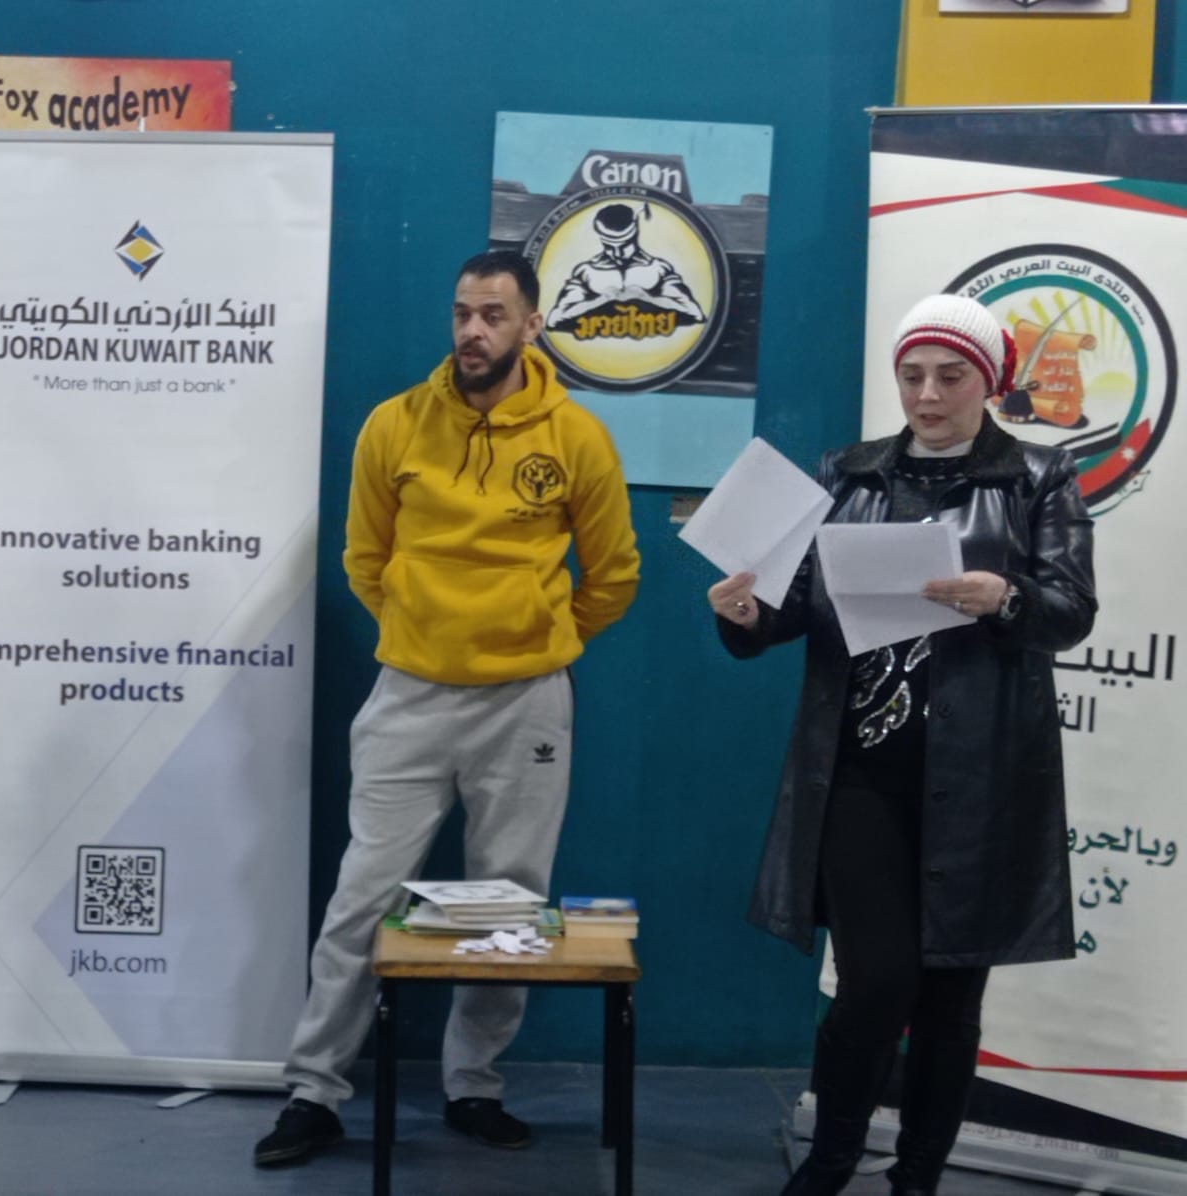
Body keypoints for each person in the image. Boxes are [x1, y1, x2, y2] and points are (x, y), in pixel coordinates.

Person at [254, 250, 640, 1167]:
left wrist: (538, 637)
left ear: (532, 325)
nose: (474, 331)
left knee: (507, 902)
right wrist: (424, 634)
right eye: (464, 313)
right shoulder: (394, 425)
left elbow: (614, 575)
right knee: (363, 898)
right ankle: (314, 1091)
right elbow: (364, 560)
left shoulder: (577, 438)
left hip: (528, 702)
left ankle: (474, 1085)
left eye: (494, 315)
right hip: (410, 696)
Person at [706, 294, 1096, 1196]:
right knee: (876, 983)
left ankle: (917, 1177)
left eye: (950, 377)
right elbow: (791, 609)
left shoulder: (1038, 477)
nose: (927, 395)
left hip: (984, 779)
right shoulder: (849, 473)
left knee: (952, 1000)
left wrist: (1005, 598)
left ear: (988, 383)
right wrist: (744, 613)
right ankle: (831, 1161)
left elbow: (1072, 611)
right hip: (861, 775)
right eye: (912, 375)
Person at [545, 201, 705, 331]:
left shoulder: (658, 268)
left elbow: (695, 313)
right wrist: (601, 300)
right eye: (609, 246)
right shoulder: (586, 271)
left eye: (624, 245)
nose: (617, 253)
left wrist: (646, 297)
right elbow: (554, 320)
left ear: (635, 234)